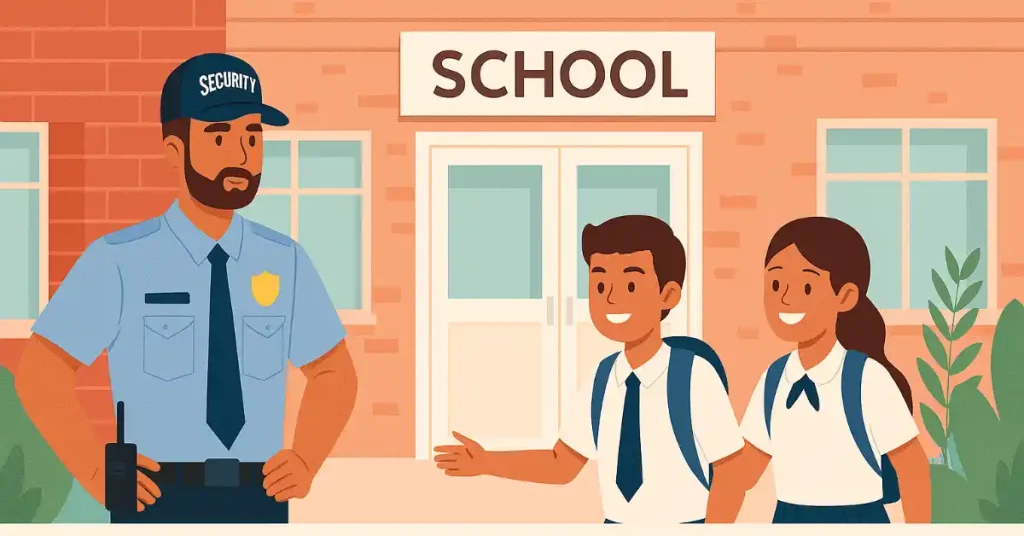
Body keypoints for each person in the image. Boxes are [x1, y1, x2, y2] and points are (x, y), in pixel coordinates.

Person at [15, 53, 358, 524]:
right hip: (156, 497)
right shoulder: (119, 259)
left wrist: (306, 458)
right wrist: (96, 470)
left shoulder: (286, 260)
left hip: (258, 494)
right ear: (175, 151)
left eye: (252, 135)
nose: (241, 155)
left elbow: (335, 373)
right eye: (219, 136)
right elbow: (40, 370)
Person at [433, 215, 751, 524]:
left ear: (667, 294)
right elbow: (562, 465)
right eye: (600, 285)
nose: (611, 298)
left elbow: (731, 473)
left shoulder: (694, 377)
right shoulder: (601, 380)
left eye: (629, 285)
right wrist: (487, 462)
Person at [736, 216, 931, 523]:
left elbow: (913, 470)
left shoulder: (868, 380)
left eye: (806, 286)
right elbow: (745, 472)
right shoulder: (773, 380)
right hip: (788, 519)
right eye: (775, 283)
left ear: (845, 297)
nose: (785, 298)